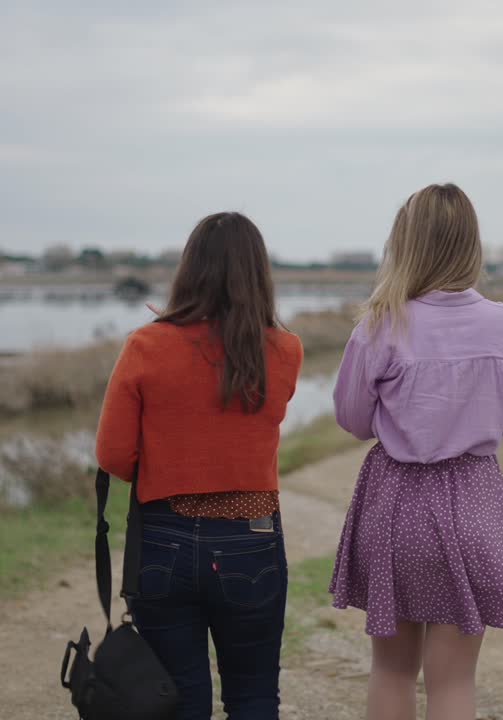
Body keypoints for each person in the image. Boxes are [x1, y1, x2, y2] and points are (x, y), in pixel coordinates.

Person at [329, 183, 503, 720]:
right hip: (474, 498)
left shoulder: (381, 323)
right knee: (453, 683)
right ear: (471, 245)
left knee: (393, 671)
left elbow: (353, 420)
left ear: (404, 244)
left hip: (397, 505)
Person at [96, 212, 304, 720]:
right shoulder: (284, 349)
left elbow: (113, 456)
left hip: (164, 539)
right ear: (259, 272)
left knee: (180, 699)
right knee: (254, 696)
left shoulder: (147, 345)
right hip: (251, 539)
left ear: (190, 269)